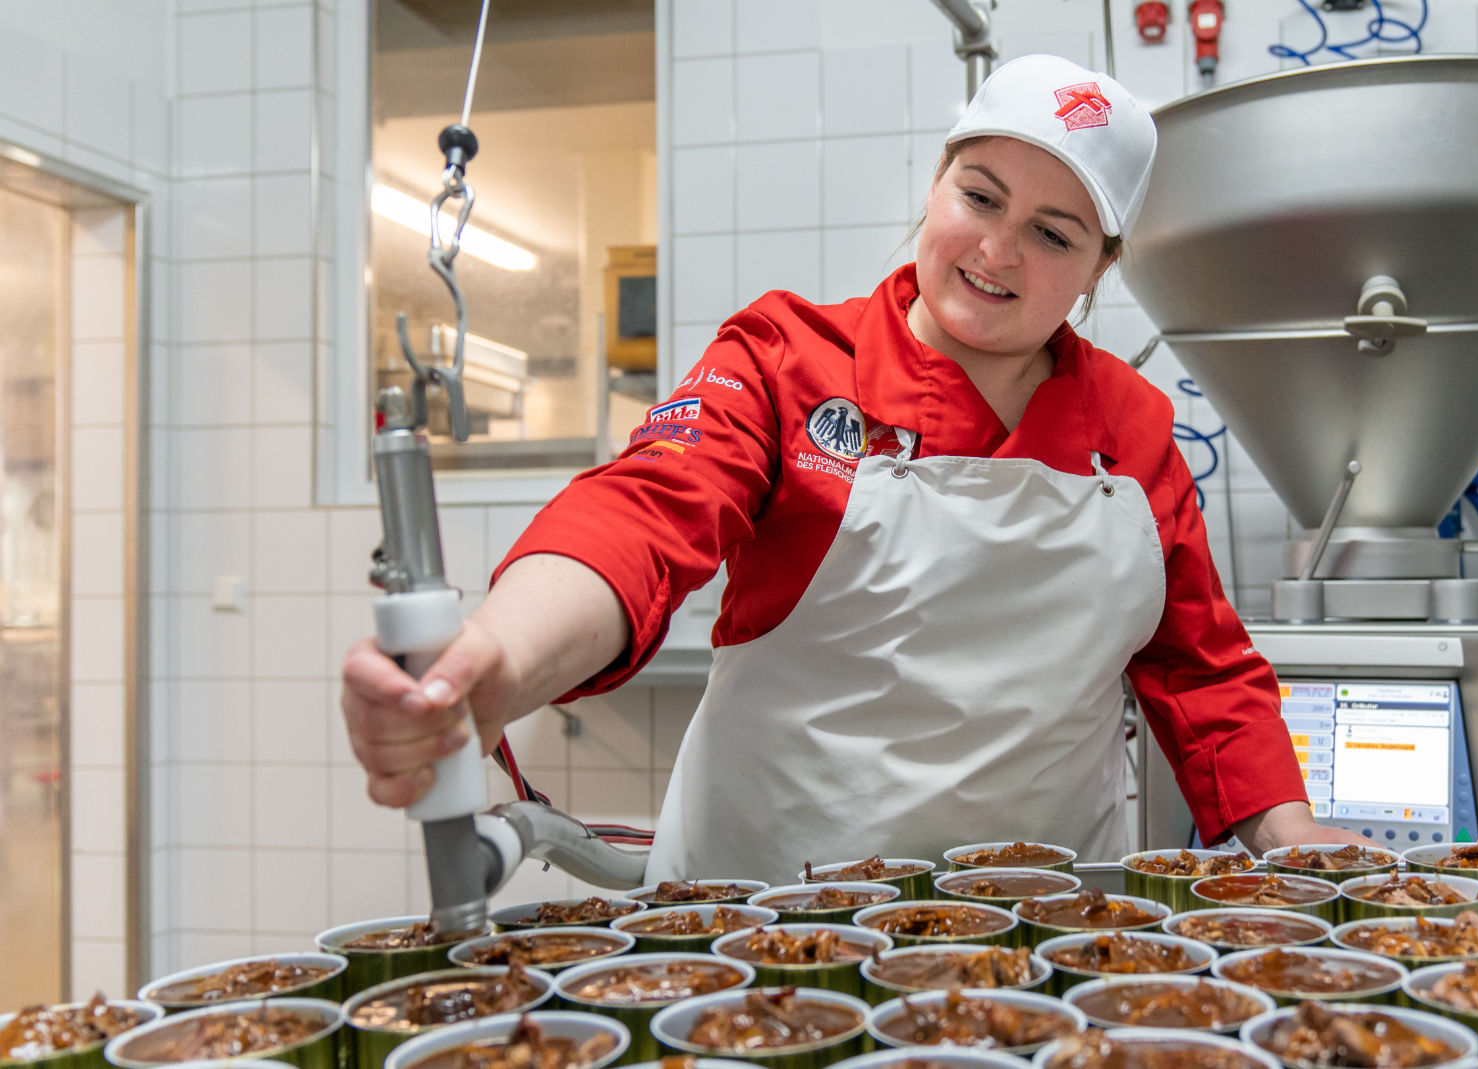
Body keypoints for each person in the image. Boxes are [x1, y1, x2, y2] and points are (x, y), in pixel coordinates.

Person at [342, 55, 1372, 882]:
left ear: (1103, 268)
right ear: (936, 181)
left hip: (1039, 929)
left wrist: (1290, 835)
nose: (997, 251)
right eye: (979, 195)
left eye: (1051, 234)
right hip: (776, 919)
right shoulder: (790, 358)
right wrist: (498, 663)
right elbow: (647, 512)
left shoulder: (1133, 427)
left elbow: (1198, 667)